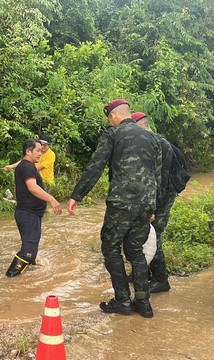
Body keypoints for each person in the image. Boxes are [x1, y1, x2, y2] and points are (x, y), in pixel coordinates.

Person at [67, 99, 162, 318]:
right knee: (135, 251)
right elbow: (156, 175)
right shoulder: (152, 138)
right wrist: (153, 206)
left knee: (110, 247)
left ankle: (122, 301)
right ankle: (143, 303)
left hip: (121, 202)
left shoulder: (113, 134)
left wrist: (77, 195)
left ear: (113, 117)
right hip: (146, 203)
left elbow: (96, 165)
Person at [131, 111, 176, 293]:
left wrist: (153, 208)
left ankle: (160, 279)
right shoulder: (149, 142)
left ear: (140, 126)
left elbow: (160, 181)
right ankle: (144, 272)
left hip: (161, 197)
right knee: (142, 233)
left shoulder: (160, 144)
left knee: (154, 233)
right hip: (150, 196)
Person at [5, 138, 62, 277]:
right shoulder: (27, 166)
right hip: (28, 213)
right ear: (28, 151)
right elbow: (32, 187)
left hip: (30, 213)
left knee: (31, 246)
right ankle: (10, 278)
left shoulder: (24, 166)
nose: (40, 154)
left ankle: (28, 275)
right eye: (37, 150)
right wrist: (52, 199)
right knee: (28, 250)